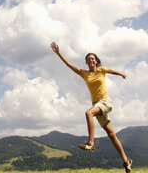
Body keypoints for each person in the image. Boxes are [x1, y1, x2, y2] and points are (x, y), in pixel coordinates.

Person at [51, 42, 132, 173]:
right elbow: (69, 65)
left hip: (105, 102)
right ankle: (126, 162)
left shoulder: (101, 70)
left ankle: (91, 143)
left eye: (93, 59)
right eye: (88, 59)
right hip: (97, 105)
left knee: (88, 113)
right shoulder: (84, 74)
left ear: (96, 61)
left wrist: (121, 74)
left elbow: (111, 71)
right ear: (86, 63)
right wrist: (59, 53)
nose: (91, 60)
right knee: (111, 134)